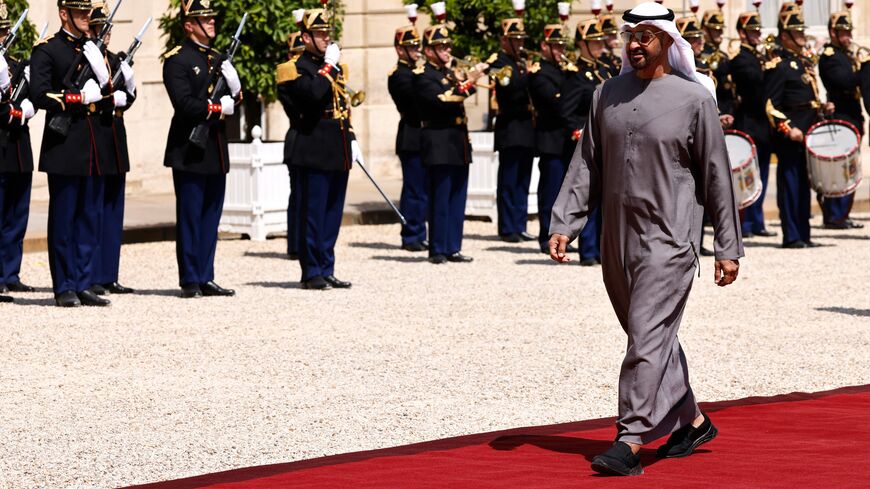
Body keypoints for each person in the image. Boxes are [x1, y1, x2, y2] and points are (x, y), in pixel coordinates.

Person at [549, 2, 742, 476]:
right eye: (630, 36)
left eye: (646, 37)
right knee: (648, 333)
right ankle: (690, 421)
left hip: (671, 238)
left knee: (647, 335)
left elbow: (718, 177)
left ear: (668, 43)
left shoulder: (695, 100)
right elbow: (586, 164)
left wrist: (728, 247)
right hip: (615, 238)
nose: (635, 45)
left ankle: (630, 438)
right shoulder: (605, 94)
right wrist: (564, 222)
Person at [31, 0, 114, 307]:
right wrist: (78, 96)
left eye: (87, 12)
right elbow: (39, 94)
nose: (85, 17)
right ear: (63, 14)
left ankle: (84, 280)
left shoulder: (93, 49)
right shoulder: (48, 49)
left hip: (92, 145)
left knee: (90, 216)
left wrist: (105, 82)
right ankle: (64, 284)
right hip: (65, 145)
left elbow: (106, 95)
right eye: (78, 12)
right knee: (65, 217)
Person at [162, 0, 241, 298]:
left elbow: (235, 100)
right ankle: (190, 278)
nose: (211, 22)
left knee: (211, 216)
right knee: (191, 215)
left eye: (211, 17)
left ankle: (206, 274)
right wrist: (218, 106)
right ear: (188, 25)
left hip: (215, 147)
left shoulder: (219, 58)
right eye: (203, 18)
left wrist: (234, 87)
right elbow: (183, 104)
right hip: (190, 148)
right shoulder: (177, 60)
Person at [277, 9, 356, 290]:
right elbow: (312, 95)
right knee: (313, 212)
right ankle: (311, 271)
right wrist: (330, 67)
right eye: (319, 34)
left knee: (333, 212)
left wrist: (352, 138)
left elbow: (341, 105)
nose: (325, 39)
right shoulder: (293, 68)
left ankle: (326, 265)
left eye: (327, 34)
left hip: (336, 144)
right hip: (311, 144)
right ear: (305, 36)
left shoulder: (330, 66)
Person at [414, 24, 487, 264]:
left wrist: (467, 79)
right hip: (438, 141)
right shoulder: (423, 75)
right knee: (440, 196)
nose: (447, 50)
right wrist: (470, 81)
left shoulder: (447, 73)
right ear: (428, 50)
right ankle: (437, 248)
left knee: (457, 196)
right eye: (441, 47)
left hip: (456, 141)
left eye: (447, 46)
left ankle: (453, 246)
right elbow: (443, 101)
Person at [764, 7, 833, 248]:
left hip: (809, 133)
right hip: (791, 136)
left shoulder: (802, 62)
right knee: (791, 185)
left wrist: (823, 107)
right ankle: (791, 235)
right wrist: (788, 128)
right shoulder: (779, 65)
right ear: (785, 36)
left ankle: (804, 233)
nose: (803, 36)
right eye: (797, 32)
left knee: (804, 186)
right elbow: (771, 105)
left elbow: (807, 99)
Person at [88, 1, 136, 296]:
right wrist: (112, 99)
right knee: (93, 210)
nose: (105, 33)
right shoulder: (85, 59)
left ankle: (109, 274)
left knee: (113, 210)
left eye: (107, 28)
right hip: (97, 137)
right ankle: (91, 274)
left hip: (116, 138)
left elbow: (129, 97)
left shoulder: (116, 59)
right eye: (100, 27)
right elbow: (93, 97)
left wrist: (127, 91)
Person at [558, 18, 611, 266]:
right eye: (594, 42)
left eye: (601, 41)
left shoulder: (606, 69)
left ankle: (602, 248)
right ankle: (587, 250)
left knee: (606, 196)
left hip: (606, 141)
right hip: (586, 141)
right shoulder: (574, 74)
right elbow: (566, 111)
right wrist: (578, 130)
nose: (600, 45)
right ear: (582, 44)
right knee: (586, 196)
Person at [0, 0, 36, 298]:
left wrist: (29, 104)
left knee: (17, 214)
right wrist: (11, 112)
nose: (3, 36)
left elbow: (36, 95)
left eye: (4, 31)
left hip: (18, 148)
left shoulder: (14, 65)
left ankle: (10, 272)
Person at [490, 8, 536, 244]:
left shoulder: (521, 61)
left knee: (523, 181)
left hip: (526, 127)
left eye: (521, 40)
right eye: (514, 39)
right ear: (504, 40)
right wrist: (530, 76)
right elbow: (510, 90)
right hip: (510, 126)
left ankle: (520, 224)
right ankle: (507, 227)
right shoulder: (498, 62)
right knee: (509, 180)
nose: (519, 43)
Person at [730, 11, 777, 238]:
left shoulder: (761, 57)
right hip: (749, 123)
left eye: (758, 30)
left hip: (763, 125)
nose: (757, 34)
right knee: (747, 177)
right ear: (742, 33)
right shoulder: (741, 58)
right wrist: (770, 67)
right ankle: (746, 223)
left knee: (763, 175)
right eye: (752, 31)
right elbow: (754, 81)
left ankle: (758, 222)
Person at [529, 22, 574, 255]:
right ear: (544, 46)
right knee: (551, 192)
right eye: (555, 46)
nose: (560, 50)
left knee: (570, 194)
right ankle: (546, 236)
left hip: (568, 139)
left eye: (561, 46)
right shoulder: (539, 72)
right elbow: (555, 103)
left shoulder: (565, 70)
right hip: (551, 139)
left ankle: (565, 236)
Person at [817, 11, 863, 230]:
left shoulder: (846, 54)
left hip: (853, 114)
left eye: (849, 32)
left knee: (850, 168)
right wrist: (865, 69)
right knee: (839, 168)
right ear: (833, 33)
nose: (848, 37)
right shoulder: (829, 56)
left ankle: (843, 213)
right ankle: (834, 214)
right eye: (843, 33)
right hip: (841, 116)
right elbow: (844, 81)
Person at [388, 23, 428, 253]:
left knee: (425, 190)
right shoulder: (399, 75)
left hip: (425, 136)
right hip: (411, 135)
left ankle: (421, 232)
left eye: (417, 46)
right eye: (410, 47)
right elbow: (413, 103)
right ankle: (411, 234)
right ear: (399, 50)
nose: (416, 50)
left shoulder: (418, 72)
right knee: (414, 190)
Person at [283, 8, 306, 261]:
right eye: (296, 54)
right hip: (297, 140)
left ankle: (304, 243)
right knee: (298, 194)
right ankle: (295, 244)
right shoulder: (287, 77)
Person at [700, 10, 735, 127]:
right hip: (713, 115)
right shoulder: (700, 56)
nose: (720, 32)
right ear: (705, 30)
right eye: (715, 29)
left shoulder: (723, 55)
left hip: (729, 113)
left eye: (721, 29)